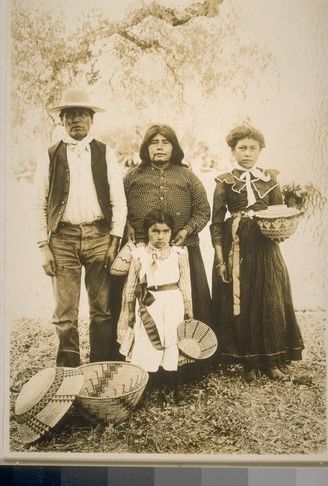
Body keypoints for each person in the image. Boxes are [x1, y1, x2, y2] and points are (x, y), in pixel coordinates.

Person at [33, 88, 127, 367]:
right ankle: (68, 372)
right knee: (65, 313)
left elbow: (118, 200)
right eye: (70, 115)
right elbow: (38, 203)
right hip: (62, 239)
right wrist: (43, 246)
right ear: (62, 121)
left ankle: (100, 366)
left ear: (91, 120)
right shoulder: (50, 155)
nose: (76, 120)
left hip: (99, 236)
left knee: (102, 310)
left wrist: (114, 241)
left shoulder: (105, 153)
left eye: (82, 115)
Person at [210, 123, 304, 382]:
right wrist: (220, 260)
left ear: (260, 151)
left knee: (270, 297)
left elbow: (278, 212)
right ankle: (248, 363)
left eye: (253, 148)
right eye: (242, 148)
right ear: (233, 151)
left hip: (265, 246)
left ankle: (272, 359)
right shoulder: (224, 182)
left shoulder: (270, 179)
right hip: (237, 246)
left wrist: (282, 228)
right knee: (244, 299)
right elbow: (216, 222)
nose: (247, 153)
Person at [123, 124, 212, 329]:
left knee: (187, 297)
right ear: (146, 147)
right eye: (154, 142)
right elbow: (118, 206)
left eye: (165, 142)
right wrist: (127, 224)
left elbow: (203, 210)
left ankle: (191, 355)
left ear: (175, 148)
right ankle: (138, 353)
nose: (159, 147)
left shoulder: (187, 176)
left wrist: (186, 230)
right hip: (141, 250)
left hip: (183, 248)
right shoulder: (132, 176)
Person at [119, 208, 193, 405]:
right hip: (148, 305)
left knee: (172, 340)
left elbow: (185, 282)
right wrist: (129, 310)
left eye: (165, 231)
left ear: (171, 232)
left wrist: (188, 306)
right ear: (147, 232)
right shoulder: (139, 255)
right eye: (155, 231)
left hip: (172, 303)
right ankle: (146, 386)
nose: (161, 236)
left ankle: (177, 387)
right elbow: (131, 285)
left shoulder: (179, 254)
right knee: (147, 342)